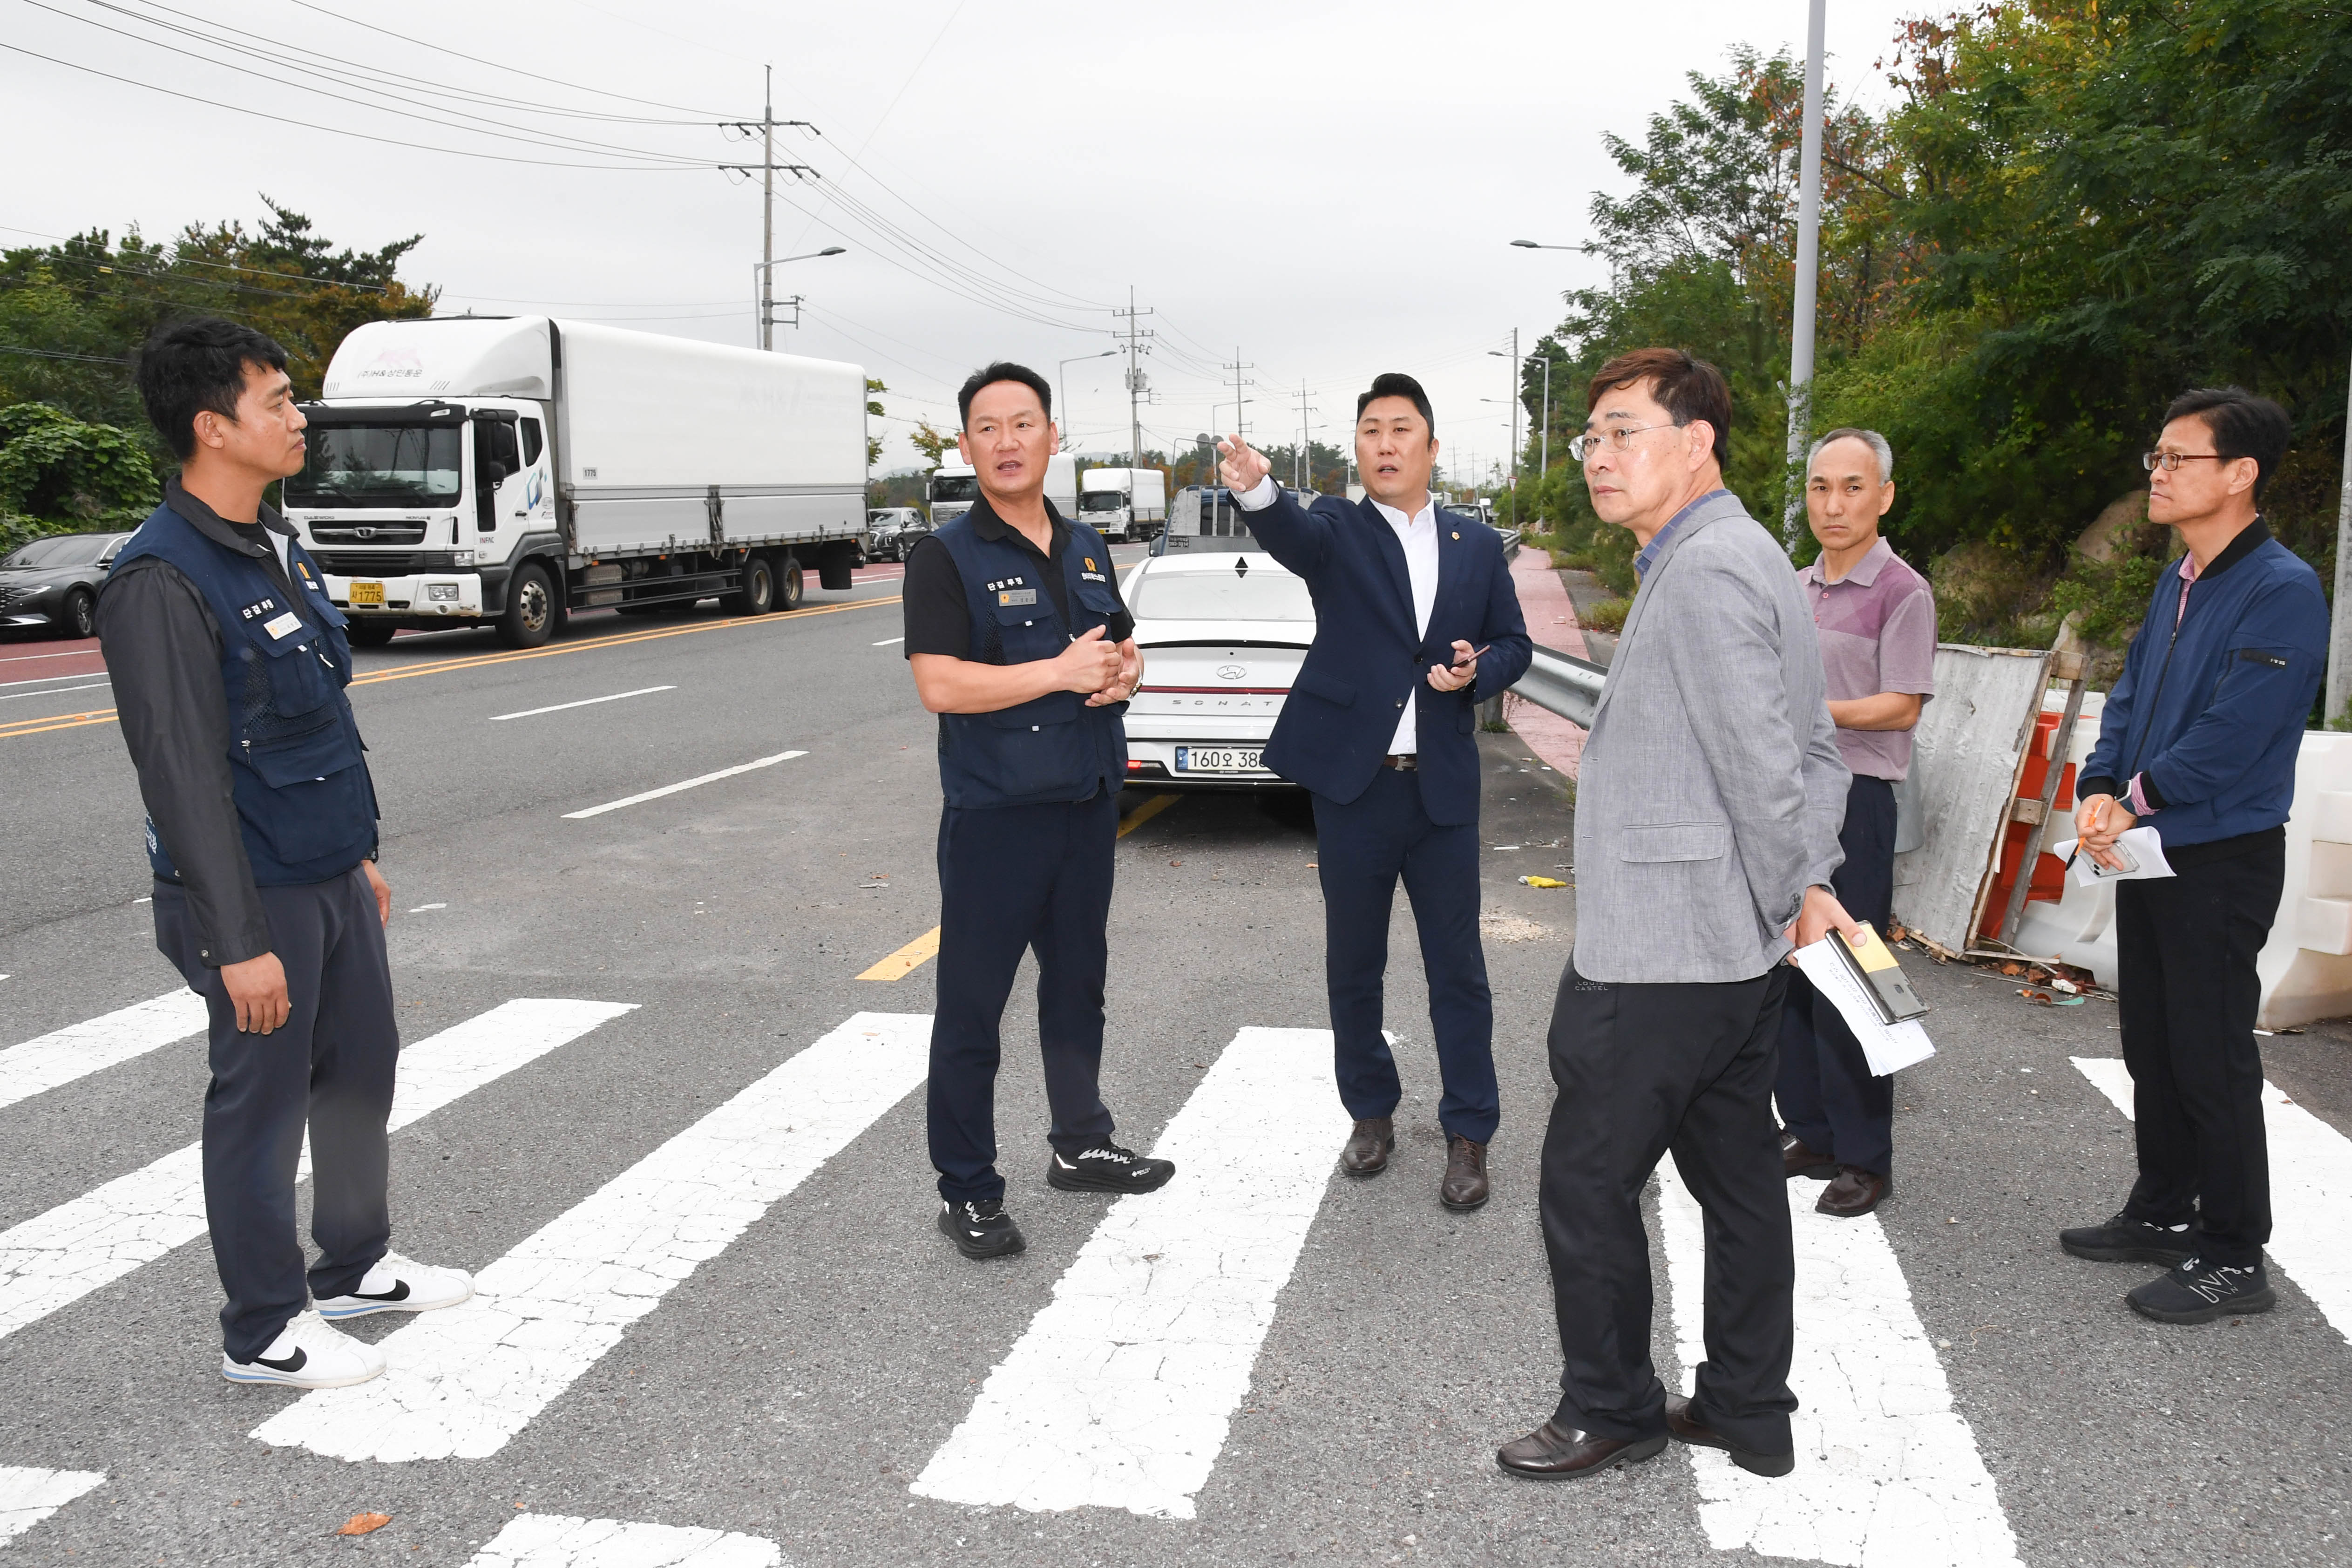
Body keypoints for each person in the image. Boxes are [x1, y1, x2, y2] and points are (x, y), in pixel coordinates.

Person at [1497, 349, 1855, 1484]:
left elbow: (1767, 760)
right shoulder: (1744, 555)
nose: (1598, 454)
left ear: (1695, 442)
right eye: (1589, 437)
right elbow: (1816, 746)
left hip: (1664, 950)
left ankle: (1613, 1407)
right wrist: (1792, 894)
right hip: (1732, 947)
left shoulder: (1704, 572)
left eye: (1621, 431)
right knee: (1741, 1178)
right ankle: (1750, 1406)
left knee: (1586, 1184)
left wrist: (1789, 890)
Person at [100, 318, 472, 1390]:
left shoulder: (273, 538)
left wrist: (356, 854)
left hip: (325, 871)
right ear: (213, 427)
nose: (297, 416)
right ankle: (263, 1327)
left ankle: (353, 1265)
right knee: (260, 1101)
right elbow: (180, 775)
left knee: (361, 1066)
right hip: (249, 893)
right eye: (277, 401)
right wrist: (236, 938)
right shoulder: (159, 581)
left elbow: (316, 725)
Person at [1214, 373, 1532, 1210]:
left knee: (1458, 970)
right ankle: (1371, 1113)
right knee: (1353, 965)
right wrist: (1257, 489)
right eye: (1370, 431)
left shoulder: (1477, 542)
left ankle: (1470, 1131)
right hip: (1355, 789)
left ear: (1430, 445)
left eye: (1401, 430)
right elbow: (1288, 534)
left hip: (1443, 794)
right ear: (1356, 448)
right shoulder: (1335, 529)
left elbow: (1515, 643)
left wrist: (1478, 671)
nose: (1385, 444)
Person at [2062, 387, 2325, 1324]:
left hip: (2221, 856)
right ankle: (2164, 1208)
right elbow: (2130, 696)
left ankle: (2233, 1253)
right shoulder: (2178, 579)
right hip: (2151, 848)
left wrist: (2133, 798)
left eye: (2181, 459)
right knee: (2154, 1043)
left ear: (2241, 474)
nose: (2160, 475)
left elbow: (2236, 733)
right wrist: (2099, 782)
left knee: (2211, 1056)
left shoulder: (2282, 588)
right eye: (2158, 458)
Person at [902, 362, 1175, 1261]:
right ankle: (969, 1190)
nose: (1009, 441)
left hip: (1088, 805)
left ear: (1054, 437)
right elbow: (940, 684)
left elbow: (1119, 648)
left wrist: (1124, 673)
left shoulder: (1089, 545)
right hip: (997, 819)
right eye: (989, 427)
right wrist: (1057, 673)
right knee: (973, 1010)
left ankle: (1081, 1141)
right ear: (967, 445)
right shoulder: (944, 556)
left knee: (1077, 989)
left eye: (1025, 424)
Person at [1777, 428, 1936, 1218]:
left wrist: (1809, 713)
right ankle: (1810, 1131)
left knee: (1856, 978)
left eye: (1851, 487)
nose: (1833, 504)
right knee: (1790, 978)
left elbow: (1901, 703)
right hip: (1785, 798)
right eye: (1819, 487)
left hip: (1859, 801)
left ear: (1884, 496)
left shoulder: (1902, 590)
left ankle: (1868, 1157)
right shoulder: (1793, 585)